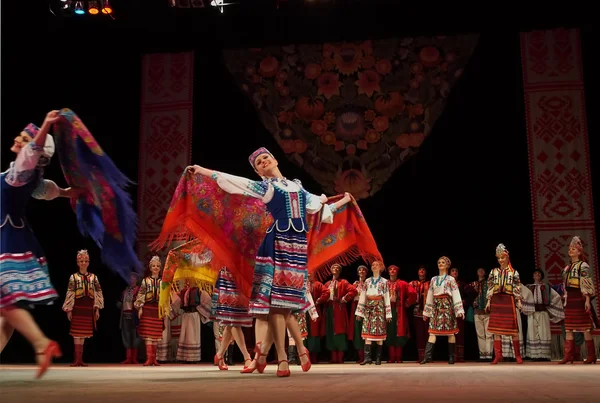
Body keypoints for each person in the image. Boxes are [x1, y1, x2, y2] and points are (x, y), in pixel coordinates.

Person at [188, 147, 352, 376]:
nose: (264, 162)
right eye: (259, 163)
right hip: (276, 244)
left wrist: (344, 200)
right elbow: (234, 181)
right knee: (275, 303)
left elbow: (318, 208)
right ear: (258, 171)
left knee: (287, 304)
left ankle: (263, 356)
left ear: (274, 160)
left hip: (296, 247)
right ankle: (280, 359)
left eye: (266, 158)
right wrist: (204, 171)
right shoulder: (266, 187)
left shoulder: (297, 185)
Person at [0, 111, 81, 379]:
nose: (17, 139)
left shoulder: (21, 172)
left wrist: (45, 125)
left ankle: (40, 343)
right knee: (7, 312)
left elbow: (32, 154)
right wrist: (68, 193)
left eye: (23, 137)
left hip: (9, 242)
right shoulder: (25, 177)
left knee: (7, 304)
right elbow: (48, 190)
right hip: (16, 239)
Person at [62, 249, 104, 367]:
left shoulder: (93, 277)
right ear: (77, 262)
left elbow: (98, 292)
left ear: (89, 262)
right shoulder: (73, 277)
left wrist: (97, 308)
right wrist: (69, 309)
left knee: (84, 334)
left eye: (85, 261)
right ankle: (77, 360)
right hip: (77, 307)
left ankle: (81, 359)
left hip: (88, 307)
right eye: (81, 261)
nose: (83, 263)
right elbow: (70, 292)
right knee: (76, 333)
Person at [559, 236, 597, 364]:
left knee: (585, 328)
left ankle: (591, 355)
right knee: (569, 328)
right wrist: (565, 298)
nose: (570, 251)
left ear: (579, 252)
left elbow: (586, 283)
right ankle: (568, 355)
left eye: (573, 249)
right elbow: (565, 285)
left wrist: (587, 300)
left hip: (580, 298)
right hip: (570, 299)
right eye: (569, 249)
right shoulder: (567, 268)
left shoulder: (583, 265)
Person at [421, 256, 464, 365]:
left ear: (447, 265)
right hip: (436, 306)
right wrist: (426, 312)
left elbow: (455, 294)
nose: (440, 264)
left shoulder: (451, 279)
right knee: (432, 332)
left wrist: (459, 310)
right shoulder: (434, 279)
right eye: (439, 262)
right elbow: (430, 295)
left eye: (443, 262)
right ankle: (427, 357)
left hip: (447, 306)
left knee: (450, 333)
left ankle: (451, 357)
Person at [486, 244, 523, 364]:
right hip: (496, 300)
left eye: (503, 257)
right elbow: (490, 287)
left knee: (513, 330)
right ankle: (498, 355)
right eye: (499, 258)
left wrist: (518, 301)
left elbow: (516, 287)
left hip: (508, 300)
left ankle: (517, 355)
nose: (501, 260)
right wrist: (488, 301)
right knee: (496, 330)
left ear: (507, 257)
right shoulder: (494, 272)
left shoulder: (514, 272)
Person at [317, 263, 358, 364]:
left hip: (339, 310)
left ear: (340, 271)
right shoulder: (327, 284)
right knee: (330, 331)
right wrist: (322, 300)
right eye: (333, 267)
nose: (335, 269)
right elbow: (322, 294)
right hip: (328, 310)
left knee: (339, 332)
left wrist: (344, 299)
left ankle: (340, 358)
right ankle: (333, 358)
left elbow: (353, 291)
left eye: (337, 268)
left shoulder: (343, 282)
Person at [356, 261, 391, 365]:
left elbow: (387, 297)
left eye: (377, 265)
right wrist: (359, 312)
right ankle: (367, 358)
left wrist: (388, 313)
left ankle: (378, 358)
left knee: (379, 332)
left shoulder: (384, 282)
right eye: (373, 265)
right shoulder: (367, 281)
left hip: (379, 307)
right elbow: (363, 295)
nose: (374, 266)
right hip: (368, 308)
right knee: (367, 331)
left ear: (381, 268)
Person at [525, 269, 564, 361]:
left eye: (539, 273)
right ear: (533, 276)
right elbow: (522, 297)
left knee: (544, 332)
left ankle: (544, 355)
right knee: (532, 332)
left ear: (542, 276)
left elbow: (557, 296)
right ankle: (535, 355)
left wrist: (549, 307)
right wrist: (526, 307)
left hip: (543, 312)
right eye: (535, 273)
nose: (537, 275)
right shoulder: (528, 287)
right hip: (532, 312)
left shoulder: (546, 287)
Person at [135, 256, 164, 366]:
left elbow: (166, 297)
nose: (155, 268)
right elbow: (141, 294)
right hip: (147, 309)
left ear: (160, 268)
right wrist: (140, 308)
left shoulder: (163, 282)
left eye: (157, 266)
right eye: (153, 266)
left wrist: (165, 309)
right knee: (148, 335)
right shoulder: (145, 281)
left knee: (156, 335)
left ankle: (154, 359)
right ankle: (149, 359)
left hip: (157, 310)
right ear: (150, 268)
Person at [385, 265, 417, 363]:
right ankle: (391, 357)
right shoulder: (384, 283)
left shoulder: (403, 283)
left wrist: (406, 303)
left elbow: (413, 293)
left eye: (394, 269)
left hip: (399, 310)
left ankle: (398, 357)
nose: (392, 271)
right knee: (389, 331)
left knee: (400, 332)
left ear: (397, 272)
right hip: (387, 310)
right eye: (390, 269)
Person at [465, 268, 493, 361]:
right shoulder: (473, 284)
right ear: (476, 273)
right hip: (477, 311)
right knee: (480, 334)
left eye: (482, 270)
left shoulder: (489, 283)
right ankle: (482, 355)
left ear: (485, 273)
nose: (481, 272)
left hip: (488, 311)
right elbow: (466, 291)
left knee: (488, 334)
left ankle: (489, 354)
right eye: (479, 270)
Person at [117, 272, 141, 364]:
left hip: (134, 316)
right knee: (126, 336)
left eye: (134, 277)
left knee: (135, 336)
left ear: (137, 279)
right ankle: (128, 357)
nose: (131, 279)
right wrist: (120, 304)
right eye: (130, 277)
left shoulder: (139, 290)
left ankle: (134, 358)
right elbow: (119, 301)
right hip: (125, 316)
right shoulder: (125, 291)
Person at [409, 265, 430, 362]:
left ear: (425, 273)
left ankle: (428, 356)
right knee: (419, 334)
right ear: (418, 273)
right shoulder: (413, 283)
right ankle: (421, 357)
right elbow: (406, 292)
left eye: (423, 270)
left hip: (428, 312)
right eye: (420, 270)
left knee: (428, 334)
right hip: (417, 311)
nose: (421, 271)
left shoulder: (430, 283)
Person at [350, 265, 368, 363]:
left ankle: (367, 355)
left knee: (366, 330)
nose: (361, 271)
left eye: (364, 270)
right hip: (356, 307)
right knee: (357, 331)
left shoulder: (369, 283)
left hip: (367, 308)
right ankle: (360, 356)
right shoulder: (355, 284)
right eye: (360, 270)